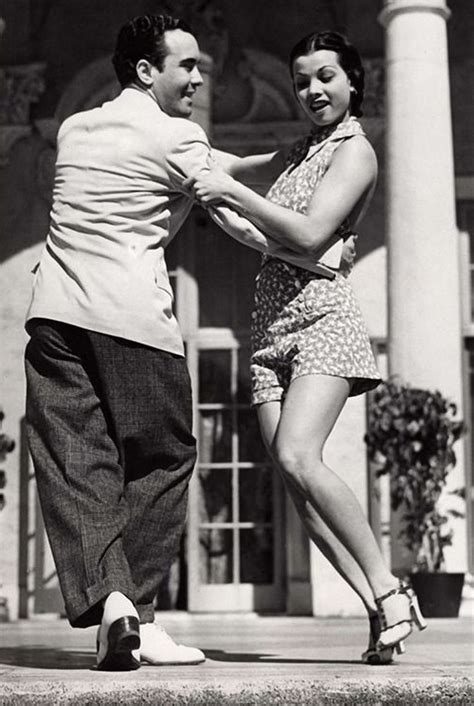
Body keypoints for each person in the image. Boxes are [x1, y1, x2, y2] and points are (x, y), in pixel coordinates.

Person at [24, 14, 332, 671]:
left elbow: (200, 171)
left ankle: (116, 607)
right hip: (133, 322)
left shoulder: (76, 128)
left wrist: (252, 166)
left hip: (52, 318)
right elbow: (231, 209)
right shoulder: (177, 137)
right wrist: (311, 255)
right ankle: (138, 606)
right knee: (161, 460)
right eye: (186, 66)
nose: (199, 76)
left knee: (77, 462)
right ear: (145, 70)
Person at [190, 31, 427, 664]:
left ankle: (389, 587)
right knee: (294, 484)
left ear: (353, 81)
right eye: (301, 81)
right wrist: (188, 155)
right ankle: (382, 610)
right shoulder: (298, 151)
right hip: (268, 326)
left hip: (322, 318)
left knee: (299, 453)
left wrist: (236, 200)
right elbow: (232, 167)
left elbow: (312, 230)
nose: (312, 89)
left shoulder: (356, 152)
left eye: (325, 76)